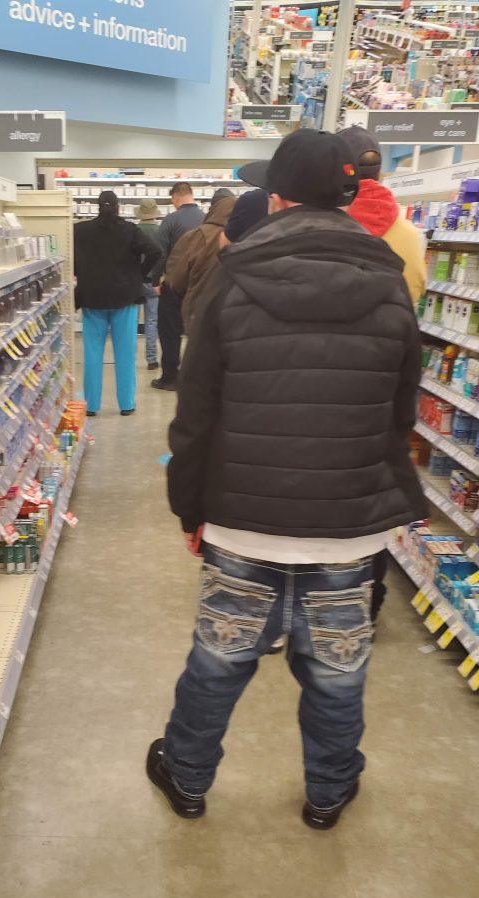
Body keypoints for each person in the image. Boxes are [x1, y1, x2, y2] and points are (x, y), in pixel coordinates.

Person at [146, 129, 427, 831]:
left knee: (218, 663)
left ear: (275, 198)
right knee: (337, 672)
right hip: (348, 531)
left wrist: (190, 510)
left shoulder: (234, 279)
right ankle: (328, 792)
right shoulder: (391, 283)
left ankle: (186, 775)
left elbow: (196, 415)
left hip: (244, 521)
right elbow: (399, 413)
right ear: (348, 196)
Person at [339, 125, 427, 623]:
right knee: (371, 492)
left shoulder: (330, 227)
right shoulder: (410, 235)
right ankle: (366, 603)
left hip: (333, 373)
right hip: (387, 379)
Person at [74, 190, 161, 417]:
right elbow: (155, 251)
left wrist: (81, 273)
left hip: (92, 298)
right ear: (118, 207)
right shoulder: (130, 230)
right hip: (125, 297)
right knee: (125, 353)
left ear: (97, 207)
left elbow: (69, 256)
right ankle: (126, 404)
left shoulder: (80, 230)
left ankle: (91, 405)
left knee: (92, 353)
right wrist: (140, 274)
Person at [339, 125, 426, 306]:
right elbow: (416, 289)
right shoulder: (411, 235)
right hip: (395, 322)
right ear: (379, 172)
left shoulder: (324, 228)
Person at [150, 182, 204, 392]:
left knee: (170, 332)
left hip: (174, 285)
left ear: (176, 198)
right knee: (198, 332)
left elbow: (160, 253)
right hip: (200, 285)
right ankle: (196, 377)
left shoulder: (171, 220)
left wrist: (156, 280)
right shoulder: (206, 218)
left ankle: (170, 377)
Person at [165, 188, 236, 327]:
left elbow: (176, 279)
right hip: (236, 315)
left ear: (212, 208)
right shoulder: (250, 234)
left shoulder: (195, 236)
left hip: (199, 313)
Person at [136, 198, 161, 371]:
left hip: (135, 282)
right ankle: (151, 359)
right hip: (154, 282)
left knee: (131, 322)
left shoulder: (134, 231)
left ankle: (129, 358)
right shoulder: (160, 231)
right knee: (151, 321)